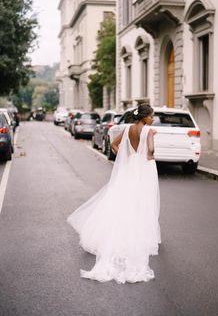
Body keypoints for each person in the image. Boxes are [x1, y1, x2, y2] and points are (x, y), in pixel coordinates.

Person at [67, 104, 161, 284]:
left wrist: (125, 156)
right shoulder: (149, 130)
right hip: (143, 169)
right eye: (151, 116)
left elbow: (114, 144)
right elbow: (150, 150)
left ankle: (118, 230)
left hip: (129, 166)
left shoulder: (127, 129)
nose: (153, 118)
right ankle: (137, 233)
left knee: (123, 200)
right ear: (144, 117)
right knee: (141, 202)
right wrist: (151, 154)